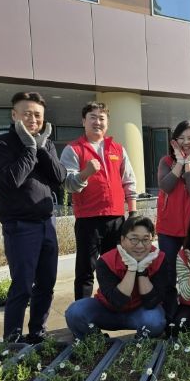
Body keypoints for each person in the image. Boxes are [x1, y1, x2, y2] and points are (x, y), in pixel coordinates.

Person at [0, 91, 67, 343]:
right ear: (14, 115)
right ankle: (12, 339)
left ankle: (37, 333)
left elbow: (60, 177)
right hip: (20, 225)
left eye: (38, 115)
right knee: (22, 285)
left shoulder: (46, 143)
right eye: (27, 114)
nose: (33, 119)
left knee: (46, 283)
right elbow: (13, 179)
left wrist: (42, 148)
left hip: (47, 223)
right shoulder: (0, 144)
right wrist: (30, 148)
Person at [60, 102, 138, 300]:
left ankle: (114, 306)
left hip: (116, 219)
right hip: (88, 220)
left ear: (107, 122)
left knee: (116, 268)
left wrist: (133, 213)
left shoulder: (117, 149)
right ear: (83, 121)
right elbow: (68, 184)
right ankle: (83, 313)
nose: (97, 122)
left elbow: (129, 181)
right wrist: (86, 173)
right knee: (85, 271)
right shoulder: (73, 149)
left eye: (101, 118)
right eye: (92, 117)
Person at [65, 216, 167, 339]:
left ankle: (139, 344)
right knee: (75, 312)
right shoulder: (106, 261)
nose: (140, 246)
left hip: (140, 313)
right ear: (122, 240)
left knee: (155, 322)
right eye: (134, 239)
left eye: (146, 239)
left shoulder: (158, 258)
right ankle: (98, 342)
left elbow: (151, 302)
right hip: (107, 311)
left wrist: (142, 271)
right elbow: (118, 302)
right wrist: (132, 269)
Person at [156, 120, 190, 322]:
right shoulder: (165, 162)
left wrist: (188, 163)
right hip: (168, 229)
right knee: (168, 274)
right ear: (174, 141)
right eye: (182, 138)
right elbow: (166, 186)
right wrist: (179, 162)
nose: (186, 142)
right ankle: (170, 316)